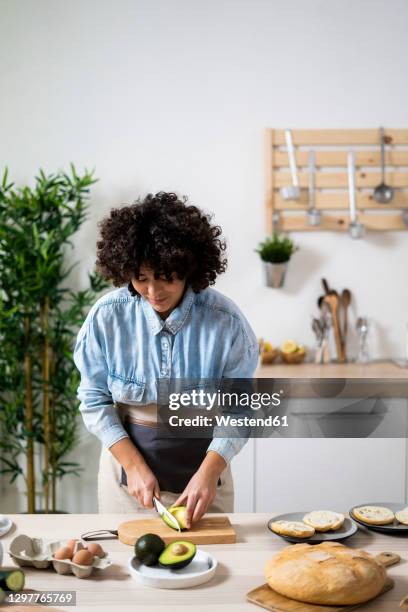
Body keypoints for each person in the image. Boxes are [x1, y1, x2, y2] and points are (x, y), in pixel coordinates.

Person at [73, 192, 258, 524]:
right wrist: (134, 466)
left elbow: (240, 410)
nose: (154, 292)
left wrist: (209, 472)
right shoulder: (107, 317)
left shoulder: (226, 323)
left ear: (189, 269)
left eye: (166, 277)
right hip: (128, 488)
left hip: (204, 487)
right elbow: (93, 399)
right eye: (141, 279)